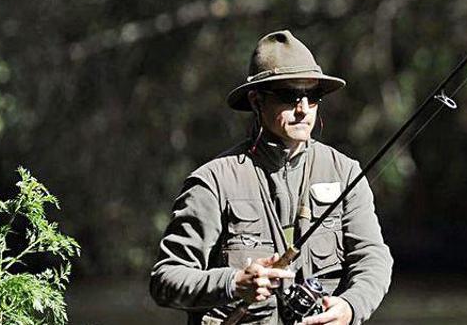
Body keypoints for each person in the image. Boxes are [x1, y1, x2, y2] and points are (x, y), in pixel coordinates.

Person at [152, 30, 392, 325]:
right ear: (256, 101)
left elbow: (373, 258)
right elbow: (165, 281)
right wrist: (234, 283)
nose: (303, 109)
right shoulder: (212, 182)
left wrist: (351, 307)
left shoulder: (345, 173)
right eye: (289, 96)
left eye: (312, 95)